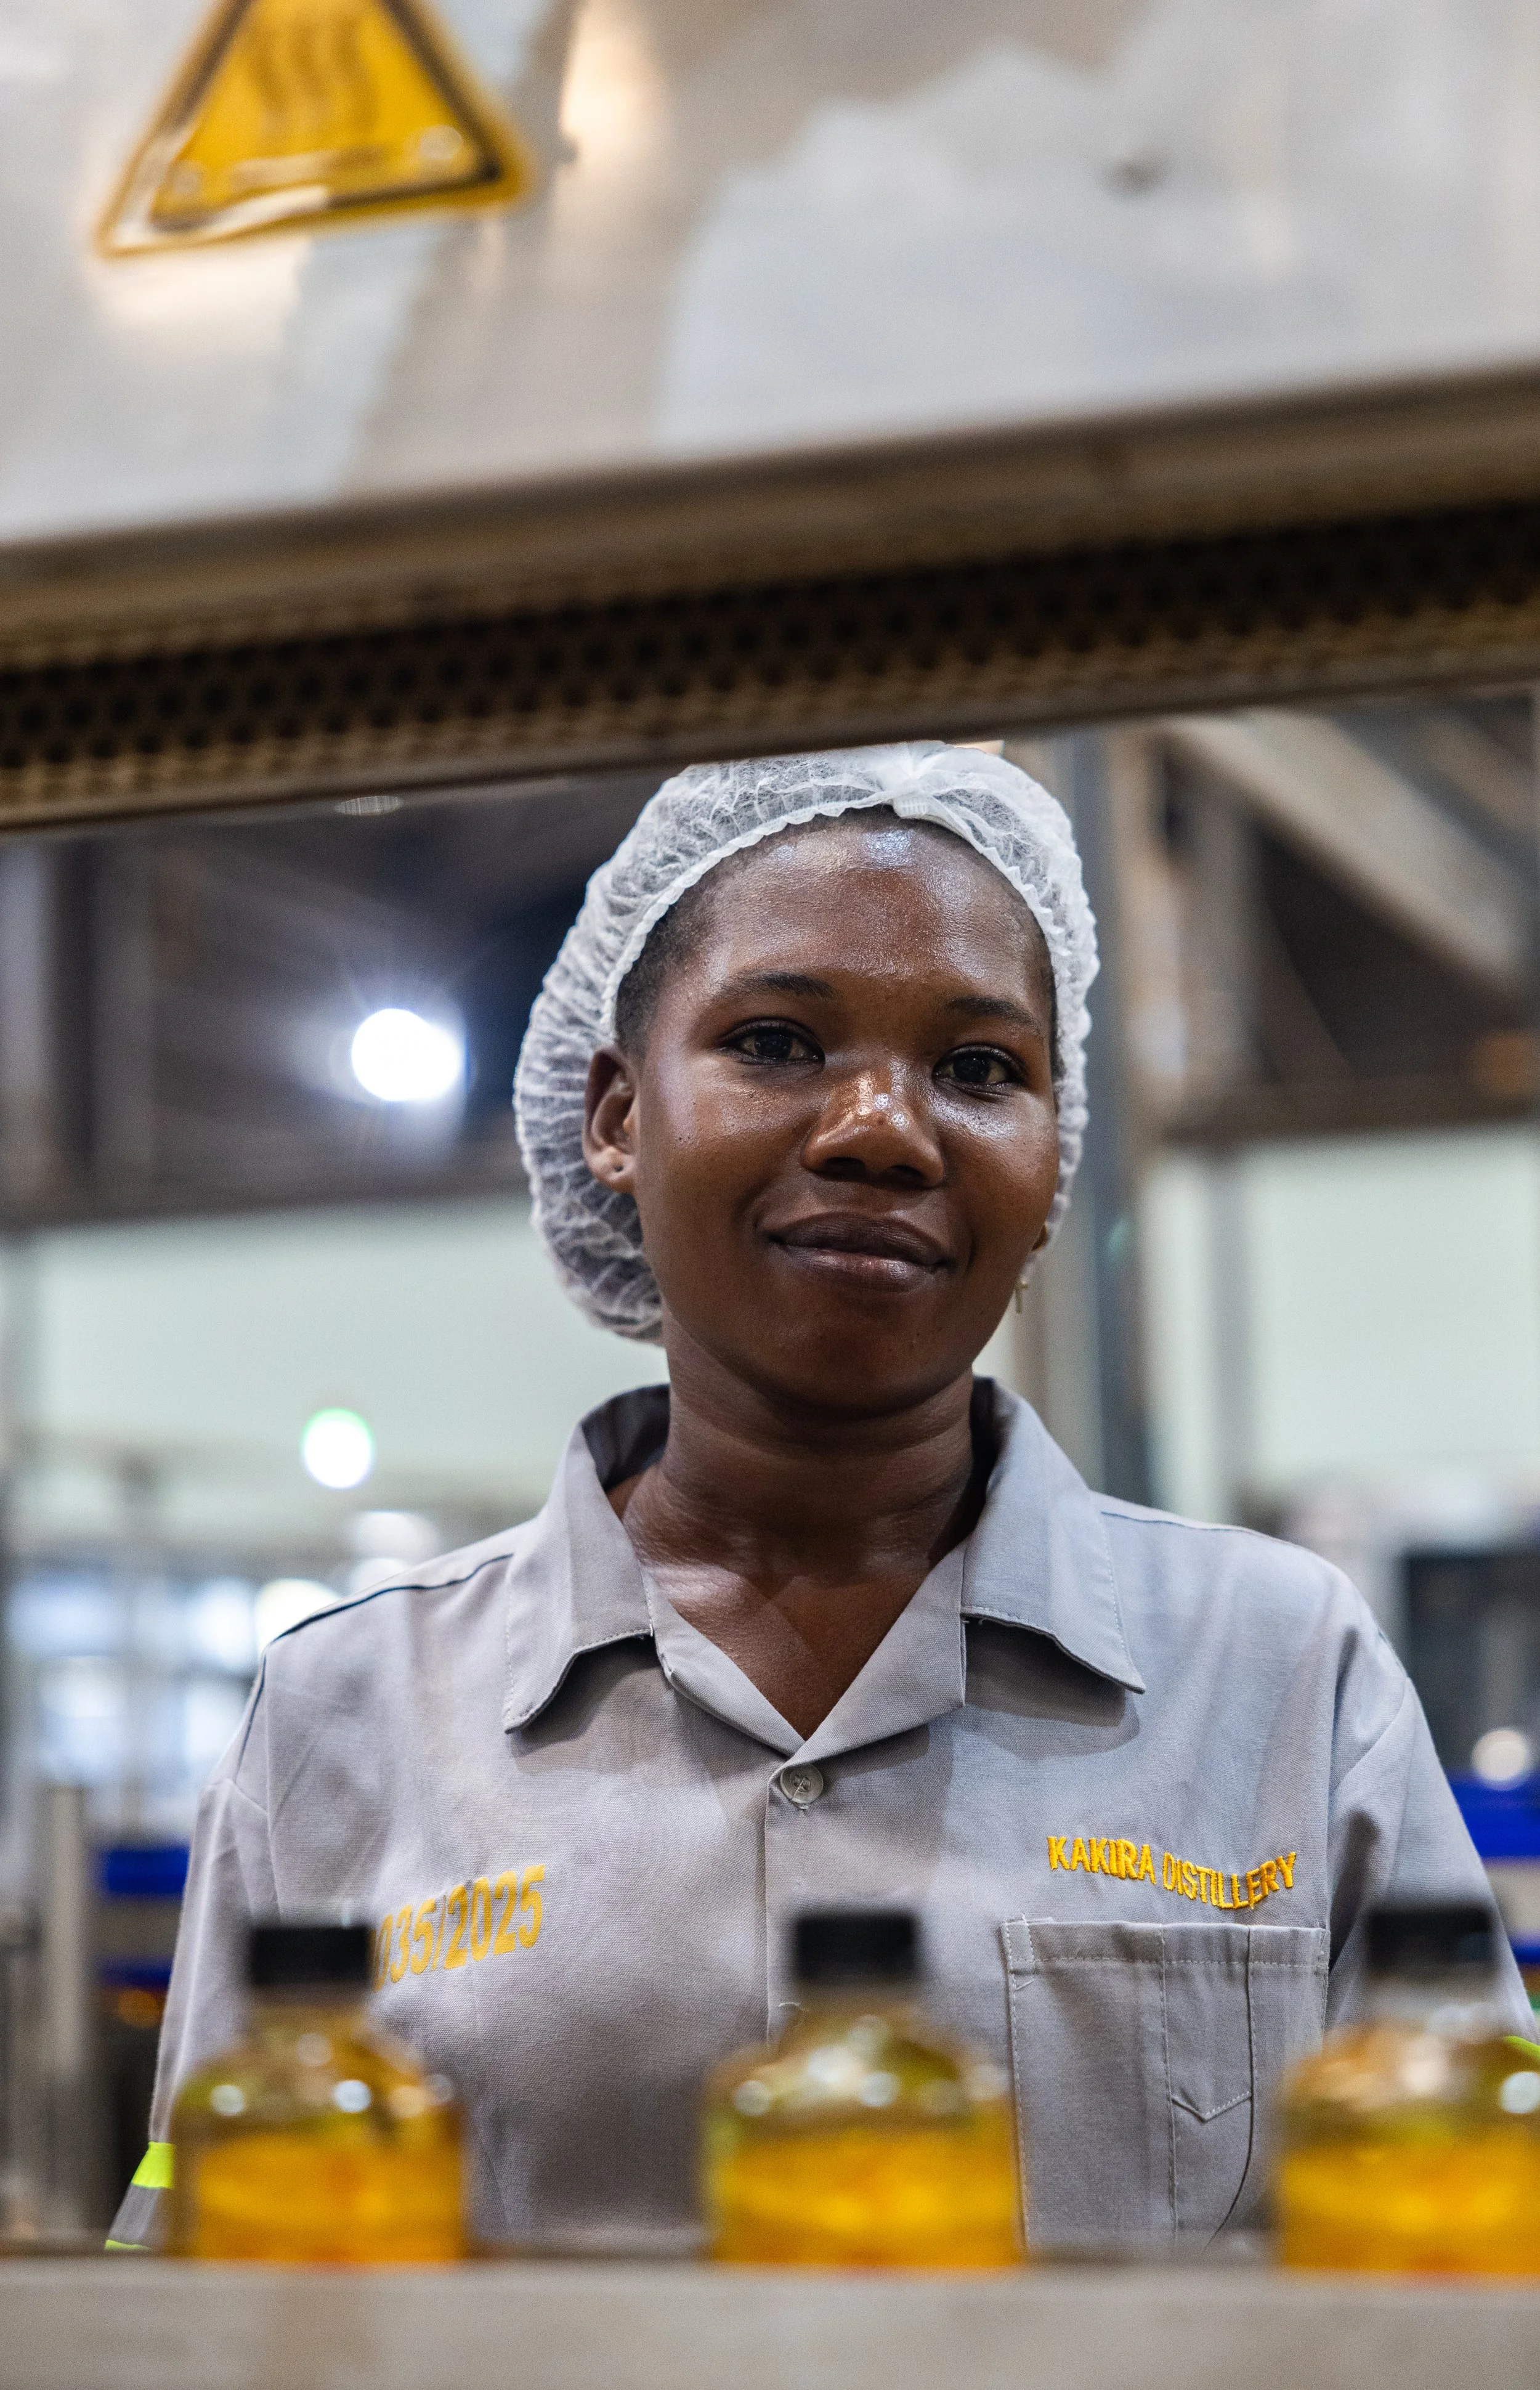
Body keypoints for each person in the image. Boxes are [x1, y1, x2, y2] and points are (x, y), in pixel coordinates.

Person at [110, 742, 1528, 2256]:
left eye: (979, 1068)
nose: (880, 1128)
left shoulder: (1275, 1672)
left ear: (1050, 1158)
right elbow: (206, 2287)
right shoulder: (349, 1710)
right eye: (777, 1040)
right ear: (613, 1113)